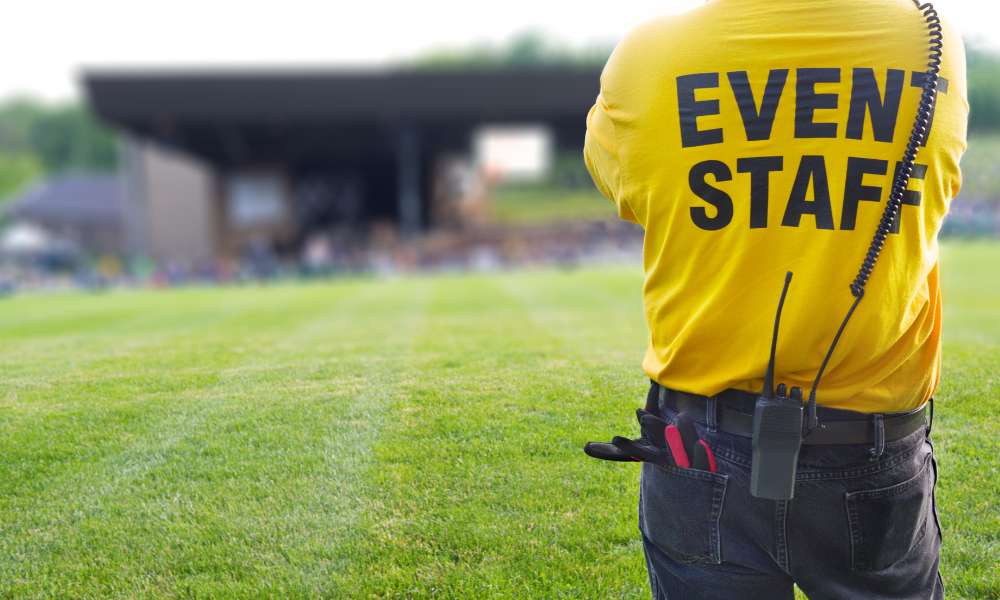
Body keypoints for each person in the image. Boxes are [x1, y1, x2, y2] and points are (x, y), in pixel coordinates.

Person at [582, 1, 967, 598]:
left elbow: (624, 186)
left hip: (699, 445)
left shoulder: (647, 57)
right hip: (870, 445)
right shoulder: (930, 38)